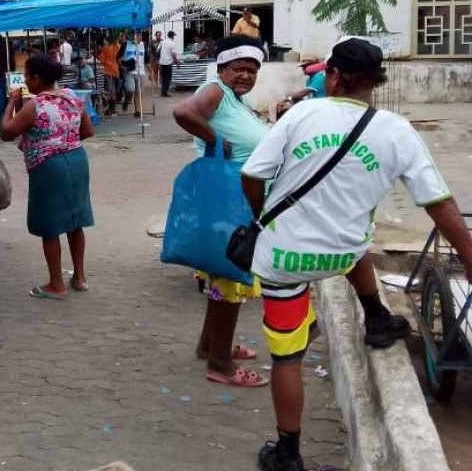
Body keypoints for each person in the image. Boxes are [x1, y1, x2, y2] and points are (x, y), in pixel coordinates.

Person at [240, 37, 472, 471]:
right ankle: (378, 317)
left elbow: (252, 175)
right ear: (375, 81)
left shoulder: (303, 113)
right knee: (355, 240)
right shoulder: (396, 130)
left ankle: (287, 454)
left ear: (332, 75)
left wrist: (263, 216)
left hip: (285, 261)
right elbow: (439, 202)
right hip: (342, 253)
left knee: (287, 357)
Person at [172, 36, 272, 389]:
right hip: (230, 200)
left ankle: (210, 345)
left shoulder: (234, 98)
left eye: (252, 69)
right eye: (238, 68)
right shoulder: (215, 89)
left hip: (236, 198)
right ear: (222, 68)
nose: (245, 75)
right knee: (231, 277)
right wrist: (214, 139)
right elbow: (183, 112)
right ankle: (221, 364)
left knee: (221, 277)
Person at [1, 53, 95, 298]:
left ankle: (56, 284)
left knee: (50, 225)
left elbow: (6, 132)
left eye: (26, 77)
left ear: (36, 78)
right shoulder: (73, 97)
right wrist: (64, 140)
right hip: (77, 160)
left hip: (48, 166)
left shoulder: (37, 104)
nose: (25, 81)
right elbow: (87, 130)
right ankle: (80, 277)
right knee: (76, 221)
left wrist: (11, 103)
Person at [121, 32, 145, 116]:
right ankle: (127, 101)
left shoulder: (143, 45)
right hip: (129, 71)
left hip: (140, 72)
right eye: (138, 35)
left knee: (138, 92)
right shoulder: (125, 44)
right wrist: (122, 67)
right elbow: (118, 58)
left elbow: (147, 59)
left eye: (140, 35)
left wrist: (150, 72)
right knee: (131, 89)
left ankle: (137, 110)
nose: (140, 36)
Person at [98, 34, 121, 115]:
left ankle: (111, 109)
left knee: (110, 90)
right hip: (116, 71)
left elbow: (101, 60)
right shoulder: (118, 47)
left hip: (108, 71)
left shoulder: (106, 49)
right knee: (114, 90)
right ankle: (112, 108)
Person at [158, 31, 179, 97]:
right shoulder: (172, 43)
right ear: (172, 36)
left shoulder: (162, 42)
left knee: (164, 78)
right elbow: (173, 54)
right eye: (174, 36)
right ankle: (164, 93)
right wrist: (177, 62)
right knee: (168, 78)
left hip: (161, 62)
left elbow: (157, 50)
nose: (174, 37)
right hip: (168, 63)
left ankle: (163, 91)